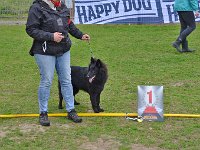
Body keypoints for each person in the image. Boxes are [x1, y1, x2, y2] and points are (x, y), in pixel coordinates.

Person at [26, 0, 90, 126]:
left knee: (66, 79)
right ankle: (43, 113)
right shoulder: (36, 7)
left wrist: (80, 35)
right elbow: (31, 29)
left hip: (63, 49)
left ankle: (71, 110)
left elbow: (69, 24)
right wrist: (51, 36)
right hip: (44, 51)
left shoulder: (62, 6)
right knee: (47, 80)